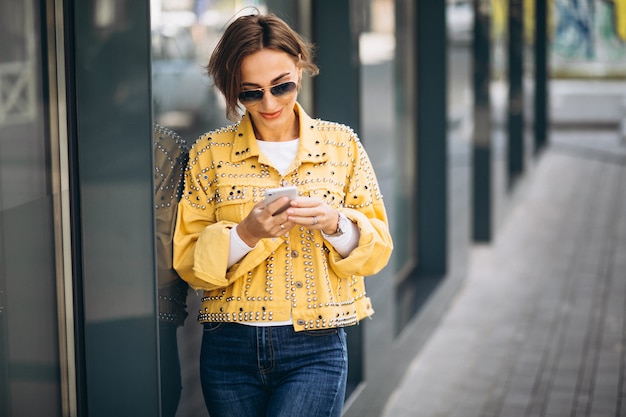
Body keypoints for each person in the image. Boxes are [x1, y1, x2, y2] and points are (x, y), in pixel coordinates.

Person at [173, 11, 393, 417]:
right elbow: (189, 263)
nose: (269, 103)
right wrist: (246, 234)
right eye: (251, 93)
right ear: (233, 90)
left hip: (316, 346)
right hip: (228, 348)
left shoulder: (341, 145)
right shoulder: (209, 153)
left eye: (281, 86)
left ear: (299, 68)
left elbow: (378, 249)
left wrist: (334, 223)